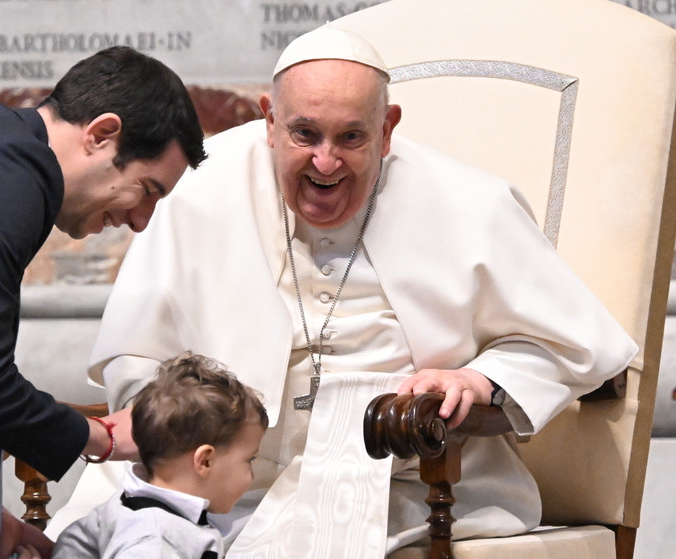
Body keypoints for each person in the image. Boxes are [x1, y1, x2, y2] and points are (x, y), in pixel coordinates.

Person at [73, 26, 639, 557]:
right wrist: (173, 434)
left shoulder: (469, 204)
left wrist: (478, 379)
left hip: (396, 492)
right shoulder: (197, 190)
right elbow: (135, 352)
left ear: (387, 128)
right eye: (303, 134)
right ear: (270, 121)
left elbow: (571, 346)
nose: (325, 161)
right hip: (199, 478)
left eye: (351, 137)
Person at [0, 45, 207, 559]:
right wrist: (104, 439)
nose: (141, 221)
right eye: (146, 189)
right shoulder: (10, 168)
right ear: (101, 133)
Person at [53, 353, 267, 559]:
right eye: (249, 460)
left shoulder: (138, 508)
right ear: (205, 461)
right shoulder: (153, 536)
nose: (252, 474)